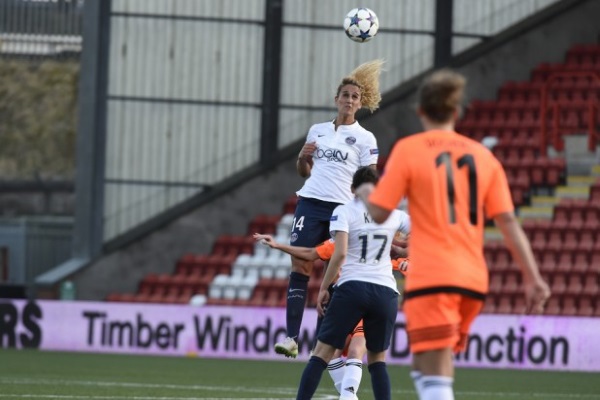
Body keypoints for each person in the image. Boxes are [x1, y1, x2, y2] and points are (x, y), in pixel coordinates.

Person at [358, 69, 551, 400]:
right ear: (457, 111)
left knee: (434, 372)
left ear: (420, 111)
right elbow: (508, 223)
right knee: (427, 364)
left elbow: (378, 213)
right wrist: (533, 278)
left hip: (433, 276)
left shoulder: (410, 149)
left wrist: (363, 190)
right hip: (472, 280)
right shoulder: (483, 156)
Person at [276, 59, 385, 358]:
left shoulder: (365, 138)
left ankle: (321, 344)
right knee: (300, 266)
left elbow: (370, 177)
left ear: (360, 103)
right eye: (345, 95)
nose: (349, 100)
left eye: (354, 97)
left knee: (333, 274)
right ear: (336, 99)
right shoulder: (318, 130)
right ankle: (291, 337)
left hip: (341, 209)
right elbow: (304, 171)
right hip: (310, 204)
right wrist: (301, 157)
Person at [293, 166, 407, 400]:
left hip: (352, 286)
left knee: (321, 353)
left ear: (353, 188)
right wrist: (399, 249)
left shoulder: (343, 211)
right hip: (386, 291)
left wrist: (325, 287)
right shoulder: (394, 214)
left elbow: (340, 253)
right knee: (377, 361)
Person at [253, 230, 409, 399]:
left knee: (354, 351)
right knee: (334, 354)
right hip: (350, 300)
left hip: (358, 297)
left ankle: (348, 395)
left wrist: (407, 261)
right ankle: (348, 395)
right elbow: (311, 253)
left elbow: (407, 260)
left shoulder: (367, 240)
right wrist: (277, 245)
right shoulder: (341, 241)